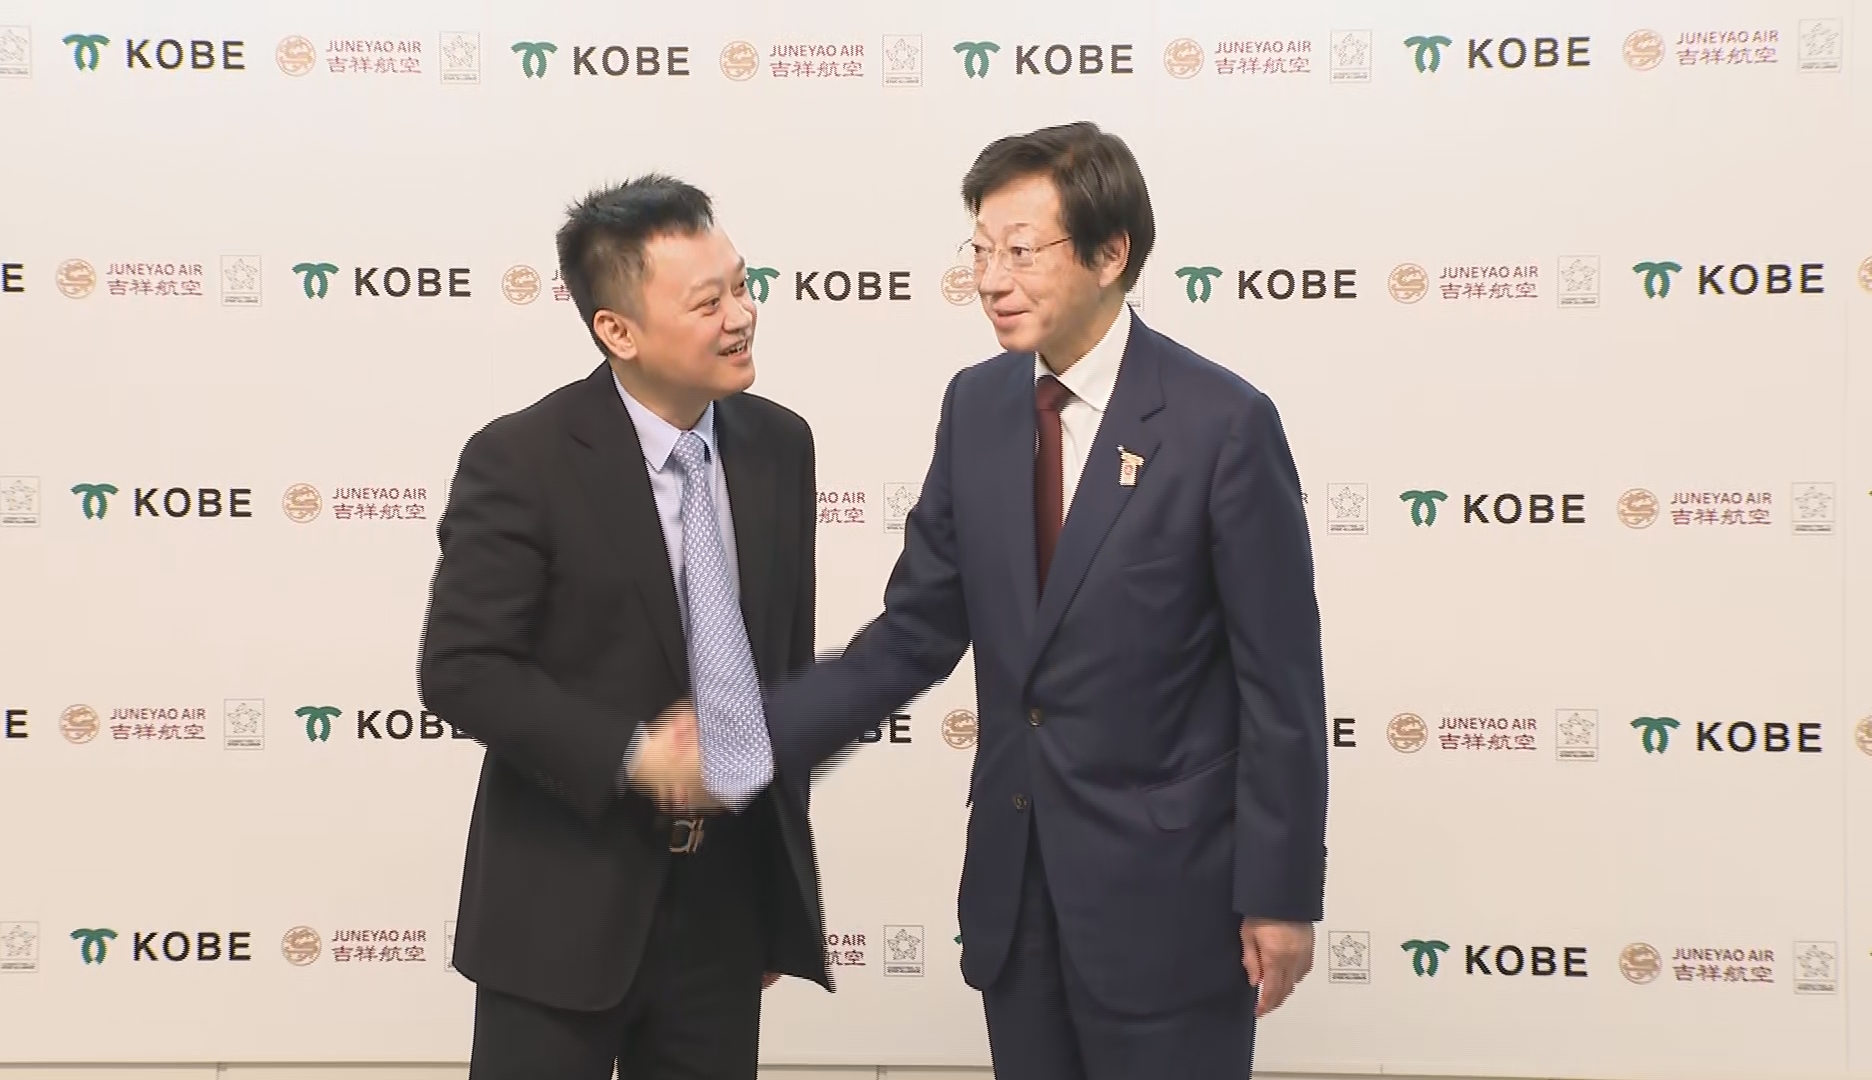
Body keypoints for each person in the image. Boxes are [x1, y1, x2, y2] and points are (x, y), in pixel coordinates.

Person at [718, 121, 1330, 1079]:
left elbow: (1280, 687)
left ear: (1110, 254)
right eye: (978, 251)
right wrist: (750, 738)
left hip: (1171, 906)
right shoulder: (977, 407)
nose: (991, 280)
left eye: (1020, 251)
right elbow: (914, 634)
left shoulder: (1223, 425)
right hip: (1017, 898)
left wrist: (1281, 894)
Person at [417, 173, 830, 1080]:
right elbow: (462, 667)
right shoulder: (522, 458)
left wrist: (773, 897)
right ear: (618, 330)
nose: (743, 316)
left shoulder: (780, 445)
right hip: (561, 912)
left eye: (743, 285)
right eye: (708, 302)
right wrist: (636, 755)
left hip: (724, 913)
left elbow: (779, 666)